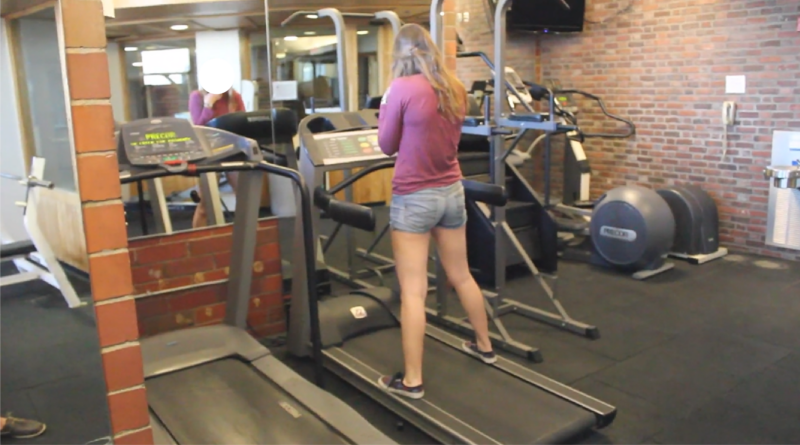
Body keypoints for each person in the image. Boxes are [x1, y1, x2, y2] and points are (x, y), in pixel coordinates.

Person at [376, 23, 496, 400]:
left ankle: (412, 381)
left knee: (414, 292)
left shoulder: (400, 89)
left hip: (414, 196)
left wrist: (388, 108)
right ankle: (484, 345)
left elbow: (385, 144)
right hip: (451, 192)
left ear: (401, 55)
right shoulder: (455, 88)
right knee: (461, 275)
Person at [188, 88, 246, 228]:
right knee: (205, 205)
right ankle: (197, 242)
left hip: (232, 150)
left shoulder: (234, 97)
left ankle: (246, 239)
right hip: (208, 153)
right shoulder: (197, 96)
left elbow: (243, 122)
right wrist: (209, 104)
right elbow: (199, 127)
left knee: (245, 201)